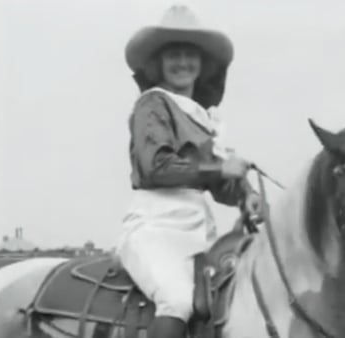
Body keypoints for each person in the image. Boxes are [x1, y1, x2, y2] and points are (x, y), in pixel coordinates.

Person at [116, 5, 262, 338]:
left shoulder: (205, 118)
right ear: (158, 64)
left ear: (203, 64)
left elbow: (218, 182)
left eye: (190, 55)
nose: (183, 63)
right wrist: (220, 167)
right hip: (155, 227)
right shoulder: (152, 104)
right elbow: (156, 167)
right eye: (173, 55)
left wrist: (247, 195)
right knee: (178, 301)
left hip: (199, 232)